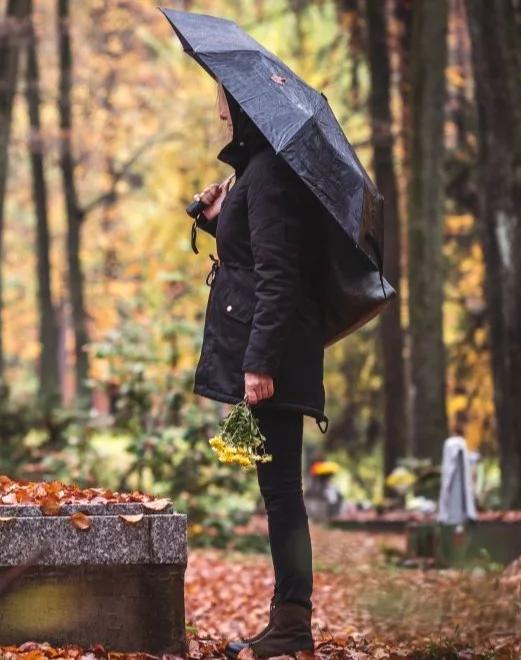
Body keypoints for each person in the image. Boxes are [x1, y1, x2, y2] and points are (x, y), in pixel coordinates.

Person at [191, 83, 327, 659]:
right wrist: (214, 216)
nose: (220, 111)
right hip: (273, 355)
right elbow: (248, 256)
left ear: (244, 108)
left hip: (276, 359)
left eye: (225, 101)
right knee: (279, 493)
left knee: (282, 495)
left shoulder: (269, 174)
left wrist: (259, 365)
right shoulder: (257, 174)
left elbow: (279, 275)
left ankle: (293, 623)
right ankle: (288, 620)